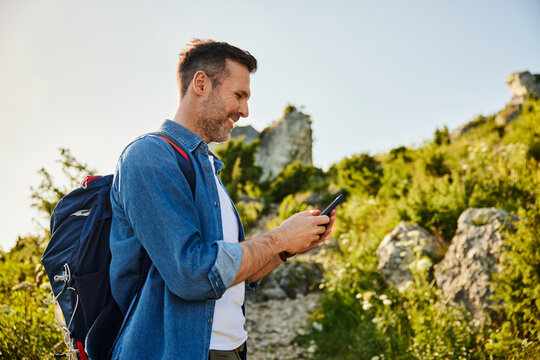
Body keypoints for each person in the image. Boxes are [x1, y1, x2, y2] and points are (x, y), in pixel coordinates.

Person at [108, 39, 336, 360]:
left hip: (231, 349)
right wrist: (278, 237)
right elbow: (193, 273)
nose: (245, 111)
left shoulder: (210, 173)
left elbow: (232, 276)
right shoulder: (149, 157)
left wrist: (288, 246)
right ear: (201, 83)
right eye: (239, 95)